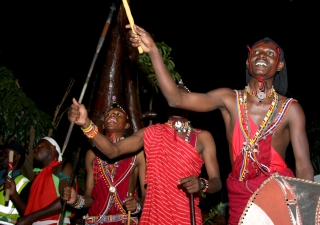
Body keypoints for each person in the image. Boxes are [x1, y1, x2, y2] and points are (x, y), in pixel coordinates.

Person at [125, 25, 315, 224]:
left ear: (280, 65)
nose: (261, 56)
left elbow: (303, 166)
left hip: (280, 192)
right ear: (247, 61)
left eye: (270, 53)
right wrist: (154, 52)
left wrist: (307, 212)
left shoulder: (290, 108)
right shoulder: (229, 99)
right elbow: (176, 100)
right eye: (256, 52)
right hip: (242, 195)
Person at [68, 81, 222, 225]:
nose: (177, 101)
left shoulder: (202, 137)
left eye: (182, 97)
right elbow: (113, 151)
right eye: (173, 96)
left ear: (191, 103)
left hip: (186, 215)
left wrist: (202, 183)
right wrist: (87, 124)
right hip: (153, 215)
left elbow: (217, 182)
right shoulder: (151, 133)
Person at [62, 96, 146, 225]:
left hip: (125, 221)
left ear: (127, 125)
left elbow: (148, 195)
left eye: (118, 114)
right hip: (96, 221)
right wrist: (76, 200)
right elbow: (90, 197)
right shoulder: (92, 154)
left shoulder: (137, 153)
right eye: (108, 114)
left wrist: (137, 205)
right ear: (103, 124)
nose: (112, 115)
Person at [5, 137, 75, 225]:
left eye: (39, 145)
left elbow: (66, 200)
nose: (35, 149)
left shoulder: (63, 167)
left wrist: (30, 218)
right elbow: (29, 213)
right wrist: (14, 194)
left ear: (52, 148)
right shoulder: (38, 177)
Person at [1, 141, 31, 223]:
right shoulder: (1, 176)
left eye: (6, 154)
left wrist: (14, 195)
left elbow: (28, 214)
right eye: (2, 154)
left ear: (17, 157)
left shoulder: (25, 184)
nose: (2, 158)